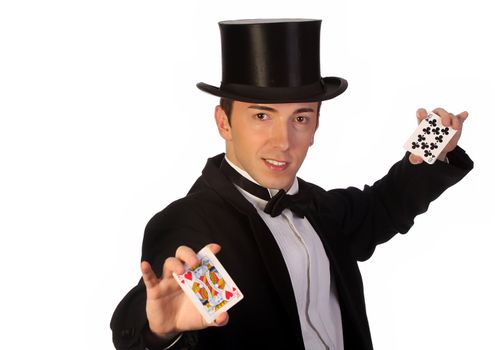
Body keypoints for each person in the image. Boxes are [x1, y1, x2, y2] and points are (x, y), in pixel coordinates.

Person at [110, 19, 473, 350]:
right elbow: (162, 312)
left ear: (316, 125)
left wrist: (427, 156)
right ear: (224, 122)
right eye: (261, 116)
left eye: (300, 117)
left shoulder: (318, 207)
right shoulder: (191, 224)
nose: (283, 141)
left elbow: (382, 207)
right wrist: (160, 334)